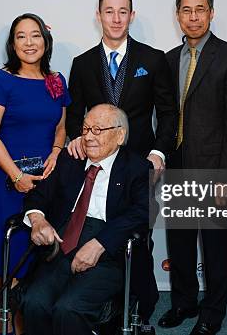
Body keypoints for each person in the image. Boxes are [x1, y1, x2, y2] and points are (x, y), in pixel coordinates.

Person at [65, 0, 177, 328]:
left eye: (122, 11)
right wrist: (74, 140)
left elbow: (169, 113)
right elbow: (74, 115)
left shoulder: (152, 58)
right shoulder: (82, 63)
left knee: (138, 235)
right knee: (100, 231)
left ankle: (142, 302)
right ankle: (109, 303)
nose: (116, 18)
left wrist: (158, 153)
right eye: (108, 11)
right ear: (98, 15)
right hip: (98, 166)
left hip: (139, 164)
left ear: (132, 15)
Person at [159, 0, 227, 335]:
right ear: (177, 15)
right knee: (179, 240)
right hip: (177, 162)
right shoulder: (167, 60)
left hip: (214, 168)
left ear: (211, 13)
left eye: (200, 9)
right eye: (185, 10)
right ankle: (183, 302)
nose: (192, 17)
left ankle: (213, 312)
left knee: (214, 246)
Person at [21, 104, 151, 335]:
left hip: (109, 254)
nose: (89, 136)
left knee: (68, 309)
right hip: (63, 246)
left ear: (120, 135)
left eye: (98, 130)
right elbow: (38, 195)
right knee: (34, 302)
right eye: (85, 129)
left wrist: (100, 243)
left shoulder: (137, 167)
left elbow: (145, 210)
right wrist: (38, 220)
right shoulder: (70, 160)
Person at [0, 13, 69, 335]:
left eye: (35, 36)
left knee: (40, 255)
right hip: (6, 182)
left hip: (44, 184)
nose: (29, 43)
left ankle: (30, 322)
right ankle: (10, 323)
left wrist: (57, 152)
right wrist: (16, 175)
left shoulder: (56, 80)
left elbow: (61, 129)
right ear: (12, 43)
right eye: (21, 36)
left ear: (46, 42)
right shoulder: (2, 80)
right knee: (9, 254)